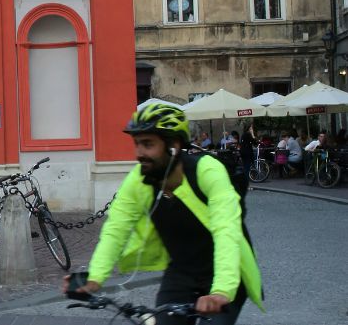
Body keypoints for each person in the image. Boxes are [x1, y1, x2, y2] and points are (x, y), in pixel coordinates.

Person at [65, 102, 263, 324]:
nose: (139, 153)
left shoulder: (207, 171)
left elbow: (226, 231)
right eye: (137, 144)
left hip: (226, 271)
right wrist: (94, 278)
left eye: (148, 144)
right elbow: (116, 229)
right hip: (182, 273)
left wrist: (221, 291)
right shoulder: (139, 180)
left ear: (174, 146)